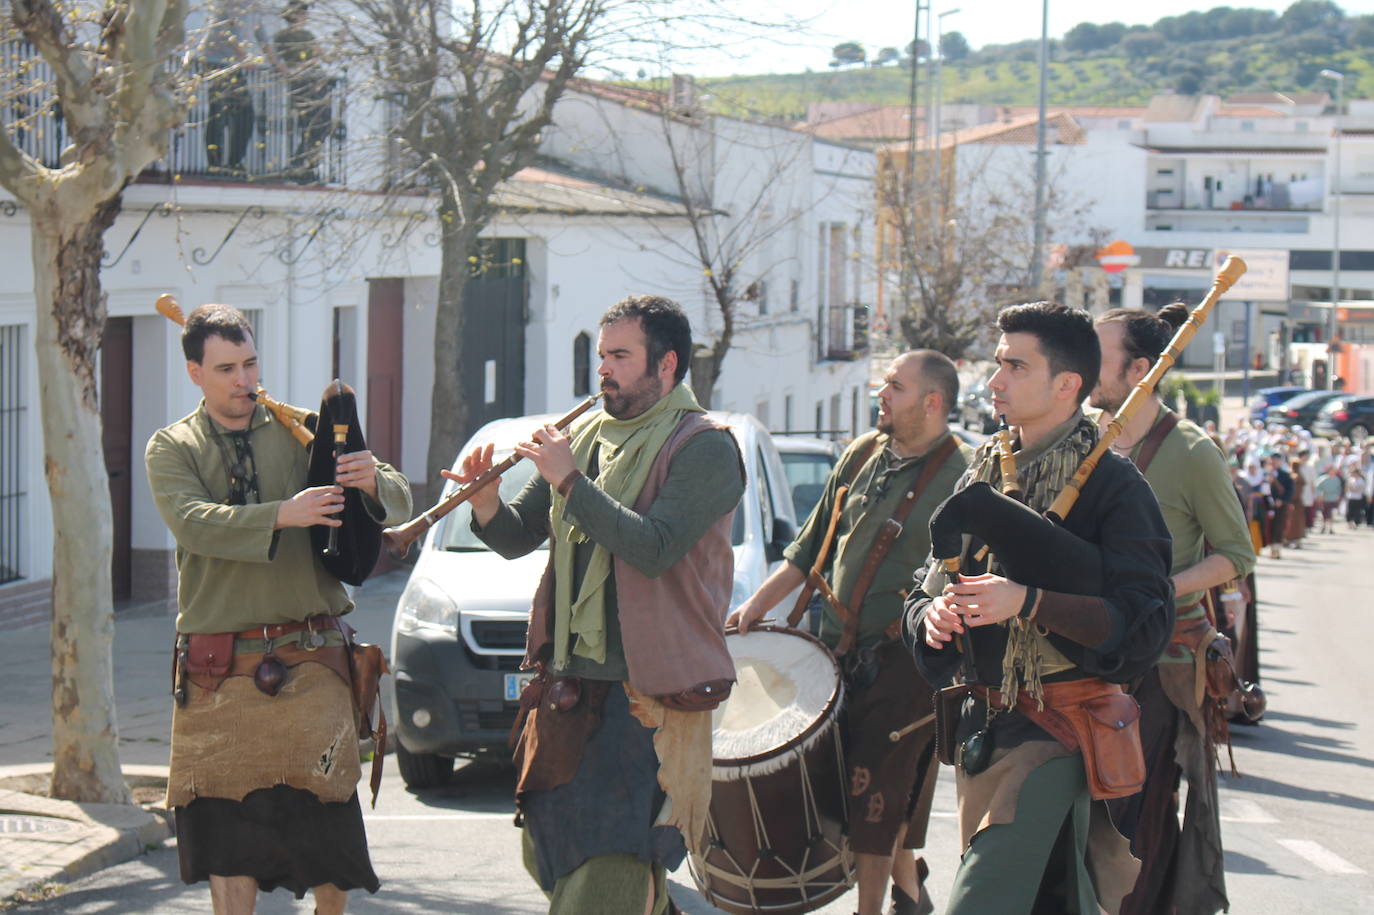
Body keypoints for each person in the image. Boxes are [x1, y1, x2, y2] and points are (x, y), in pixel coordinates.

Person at [463, 295, 745, 915]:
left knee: (608, 867)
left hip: (648, 696)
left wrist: (570, 481)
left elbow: (655, 547)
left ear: (666, 364)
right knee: (546, 852)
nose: (604, 372)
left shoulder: (705, 447)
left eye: (620, 356)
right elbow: (517, 536)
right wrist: (485, 501)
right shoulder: (586, 435)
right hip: (569, 685)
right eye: (601, 358)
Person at [904, 301, 1173, 915]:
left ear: (1067, 384)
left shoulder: (1116, 484)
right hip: (985, 726)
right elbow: (924, 589)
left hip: (1059, 729)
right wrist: (935, 616)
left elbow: (1143, 623)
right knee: (1060, 901)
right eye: (998, 364)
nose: (995, 381)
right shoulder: (984, 471)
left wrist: (1027, 601)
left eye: (1015, 367)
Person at [145, 304, 412, 914]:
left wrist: (373, 480)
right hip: (218, 674)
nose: (243, 380)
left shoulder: (304, 431)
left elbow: (396, 496)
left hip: (312, 661)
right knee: (225, 837)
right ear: (195, 373)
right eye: (226, 368)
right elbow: (192, 523)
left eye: (250, 363)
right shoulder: (172, 447)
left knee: (326, 829)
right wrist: (281, 514)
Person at [728, 351, 971, 915]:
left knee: (875, 796)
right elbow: (808, 551)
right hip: (836, 653)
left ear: (932, 403)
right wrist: (754, 608)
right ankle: (909, 892)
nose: (881, 394)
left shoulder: (967, 475)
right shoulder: (863, 454)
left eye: (896, 387)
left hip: (911, 662)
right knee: (851, 789)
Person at [1090, 305, 1257, 915]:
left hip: (1160, 664)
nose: (1081, 367)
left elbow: (1237, 554)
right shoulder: (1082, 436)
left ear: (1140, 368)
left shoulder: (1190, 451)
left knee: (1133, 819)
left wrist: (1162, 588)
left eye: (1097, 354)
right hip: (1081, 654)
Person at [1315, 465, 1342, 534]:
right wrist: (1319, 496)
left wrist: (1338, 496)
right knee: (1324, 513)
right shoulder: (1323, 479)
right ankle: (1323, 526)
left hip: (1333, 498)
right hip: (1325, 498)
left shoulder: (1336, 479)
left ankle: (1331, 528)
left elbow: (1339, 489)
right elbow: (1318, 488)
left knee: (1332, 513)